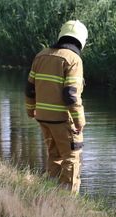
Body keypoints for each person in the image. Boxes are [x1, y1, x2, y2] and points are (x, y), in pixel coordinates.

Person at [25, 20, 88, 194]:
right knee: (71, 157)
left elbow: (30, 88)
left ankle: (50, 194)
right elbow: (71, 94)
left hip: (43, 118)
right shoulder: (73, 60)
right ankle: (68, 201)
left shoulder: (41, 55)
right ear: (81, 40)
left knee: (55, 155)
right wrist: (79, 121)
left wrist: (30, 110)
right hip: (63, 119)